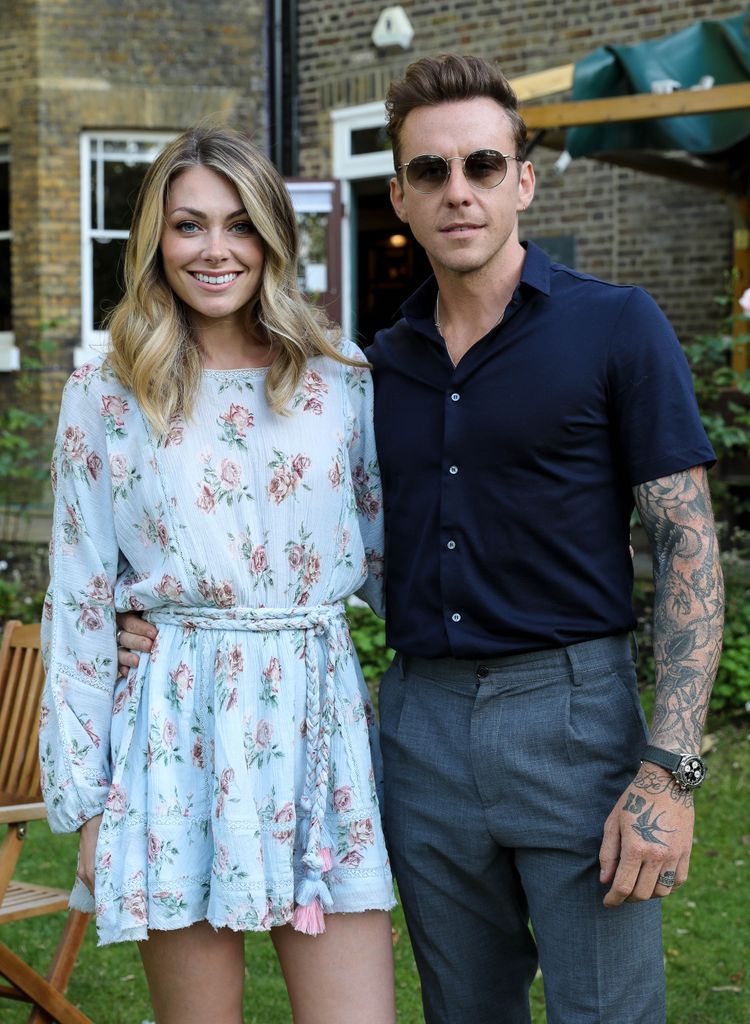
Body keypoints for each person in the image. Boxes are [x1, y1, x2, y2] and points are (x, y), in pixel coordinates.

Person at [118, 57, 725, 1024]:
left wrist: (670, 769)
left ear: (522, 179)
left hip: (571, 716)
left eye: (483, 165)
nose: (460, 191)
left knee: (606, 1012)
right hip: (419, 729)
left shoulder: (618, 327)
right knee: (463, 1010)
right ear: (398, 194)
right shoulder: (363, 370)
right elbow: (273, 520)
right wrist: (148, 614)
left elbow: (689, 552)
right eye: (431, 172)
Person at [39, 122, 396, 1024]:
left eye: (239, 225)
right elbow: (79, 596)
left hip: (319, 724)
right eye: (188, 224)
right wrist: (86, 799)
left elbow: (393, 557)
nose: (214, 249)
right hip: (172, 729)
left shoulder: (339, 381)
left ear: (273, 238)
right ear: (155, 239)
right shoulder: (104, 395)